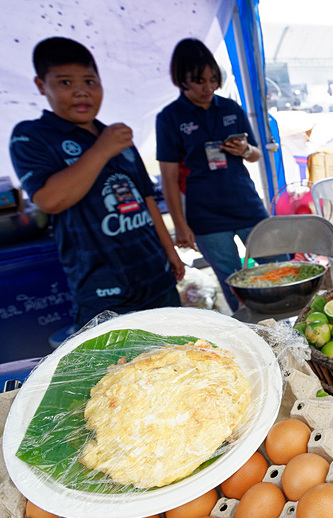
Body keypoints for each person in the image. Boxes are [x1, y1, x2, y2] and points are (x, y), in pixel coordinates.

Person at [9, 37, 184, 328]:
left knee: (179, 346)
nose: (81, 92)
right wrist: (101, 150)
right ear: (41, 85)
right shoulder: (32, 136)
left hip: (156, 276)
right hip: (103, 291)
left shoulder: (118, 137)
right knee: (118, 356)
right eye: (65, 82)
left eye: (90, 82)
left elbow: (146, 198)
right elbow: (50, 200)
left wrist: (170, 250)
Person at [156, 38, 269, 311]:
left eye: (213, 79)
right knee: (233, 283)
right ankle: (251, 330)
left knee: (277, 263)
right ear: (181, 80)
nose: (208, 87)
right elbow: (168, 178)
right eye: (199, 81)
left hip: (247, 205)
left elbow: (256, 154)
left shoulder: (230, 108)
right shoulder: (170, 118)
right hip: (206, 217)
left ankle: (287, 323)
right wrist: (180, 225)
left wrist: (244, 149)